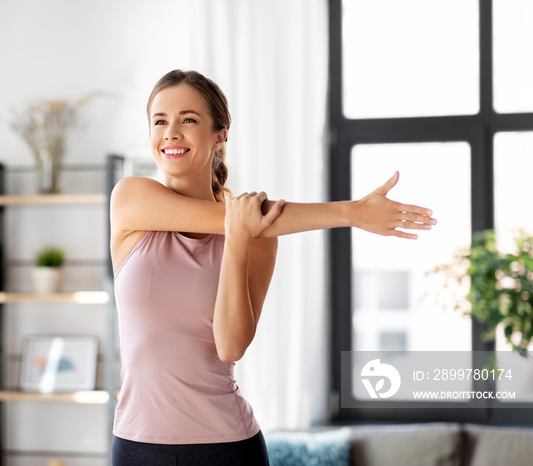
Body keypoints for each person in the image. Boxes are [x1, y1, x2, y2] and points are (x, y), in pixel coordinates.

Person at [109, 69, 436, 466]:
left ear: (219, 135)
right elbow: (230, 218)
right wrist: (351, 212)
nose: (171, 132)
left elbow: (230, 346)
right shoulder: (131, 200)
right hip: (136, 445)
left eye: (189, 119)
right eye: (160, 121)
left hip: (227, 448)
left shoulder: (259, 237)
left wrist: (240, 239)